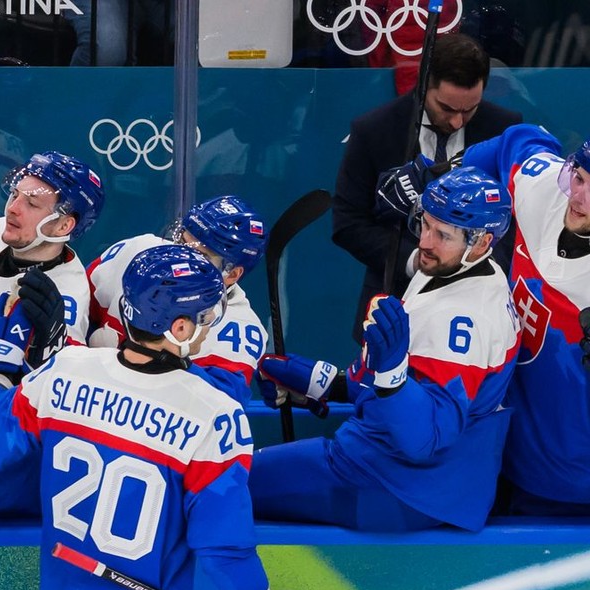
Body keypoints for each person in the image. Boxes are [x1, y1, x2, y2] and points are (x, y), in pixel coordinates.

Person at [0, 244, 316, 590]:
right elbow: (223, 550)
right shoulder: (213, 413)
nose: (210, 327)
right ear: (179, 327)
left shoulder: (65, 368)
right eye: (205, 317)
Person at [251, 167, 520, 532]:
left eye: (442, 234)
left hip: (397, 487)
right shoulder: (461, 268)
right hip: (410, 477)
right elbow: (411, 383)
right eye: (425, 223)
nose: (425, 241)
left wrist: (392, 376)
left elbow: (424, 440)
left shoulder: (466, 318)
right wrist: (329, 384)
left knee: (223, 483)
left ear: (483, 241)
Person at [418, 124, 590, 516]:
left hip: (574, 477)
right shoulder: (542, 187)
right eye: (579, 178)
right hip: (507, 451)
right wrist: (445, 175)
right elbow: (519, 139)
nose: (578, 197)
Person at [332, 33, 521, 344]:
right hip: (396, 307)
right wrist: (416, 260)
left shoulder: (504, 129)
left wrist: (481, 266)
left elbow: (516, 218)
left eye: (470, 109)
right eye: (447, 108)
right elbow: (348, 222)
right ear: (423, 85)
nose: (459, 122)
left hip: (482, 312)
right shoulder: (374, 131)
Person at [87, 194, 269, 402]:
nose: (180, 255)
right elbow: (76, 317)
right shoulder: (138, 253)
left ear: (232, 274)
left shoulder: (241, 331)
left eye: (200, 255)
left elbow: (215, 406)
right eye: (181, 241)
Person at [0, 150, 104, 345]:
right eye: (15, 195)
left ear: (63, 226)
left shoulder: (65, 297)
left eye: (31, 203)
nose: (12, 208)